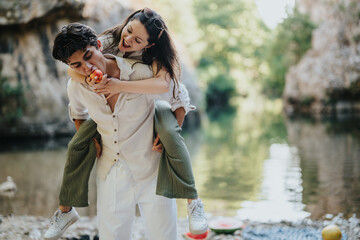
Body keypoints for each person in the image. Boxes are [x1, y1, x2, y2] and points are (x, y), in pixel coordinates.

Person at [44, 8, 207, 240]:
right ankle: (65, 211)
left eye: (88, 57)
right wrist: (90, 138)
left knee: (164, 236)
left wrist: (170, 133)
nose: (87, 68)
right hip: (111, 171)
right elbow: (77, 112)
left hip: (151, 169)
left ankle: (193, 201)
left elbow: (176, 92)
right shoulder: (78, 82)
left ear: (97, 48)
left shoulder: (145, 72)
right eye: (77, 64)